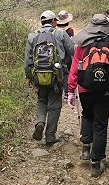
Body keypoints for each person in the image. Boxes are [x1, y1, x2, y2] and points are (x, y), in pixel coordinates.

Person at [66, 14, 109, 177]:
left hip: (84, 89)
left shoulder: (82, 44)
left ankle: (86, 149)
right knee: (101, 123)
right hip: (105, 90)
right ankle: (96, 163)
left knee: (87, 115)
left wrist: (70, 91)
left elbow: (74, 69)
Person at [24, 10, 75, 146]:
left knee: (41, 99)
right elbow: (73, 51)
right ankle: (50, 136)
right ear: (53, 21)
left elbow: (28, 58)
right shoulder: (60, 33)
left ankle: (40, 122)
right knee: (55, 104)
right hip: (56, 76)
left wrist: (28, 76)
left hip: (38, 75)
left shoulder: (32, 35)